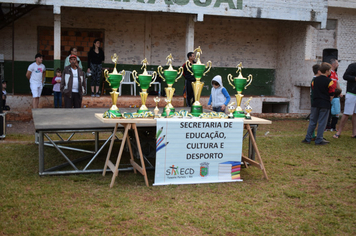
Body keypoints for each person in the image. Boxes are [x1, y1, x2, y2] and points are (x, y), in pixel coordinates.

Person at [302, 62, 334, 145]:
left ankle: (307, 138)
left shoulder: (314, 80)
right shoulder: (329, 81)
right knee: (322, 122)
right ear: (326, 71)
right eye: (330, 70)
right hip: (324, 103)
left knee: (312, 121)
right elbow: (331, 93)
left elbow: (313, 90)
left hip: (315, 103)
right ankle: (319, 139)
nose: (330, 72)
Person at [333, 62, 356, 139]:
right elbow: (345, 76)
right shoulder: (353, 66)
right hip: (351, 92)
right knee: (347, 113)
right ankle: (338, 132)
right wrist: (355, 78)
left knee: (355, 114)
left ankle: (354, 133)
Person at [325, 58, 342, 130]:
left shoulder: (335, 73)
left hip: (335, 94)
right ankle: (327, 125)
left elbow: (337, 82)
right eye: (337, 63)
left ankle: (333, 126)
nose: (338, 65)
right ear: (333, 64)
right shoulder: (329, 73)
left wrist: (340, 91)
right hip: (329, 94)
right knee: (328, 110)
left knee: (335, 110)